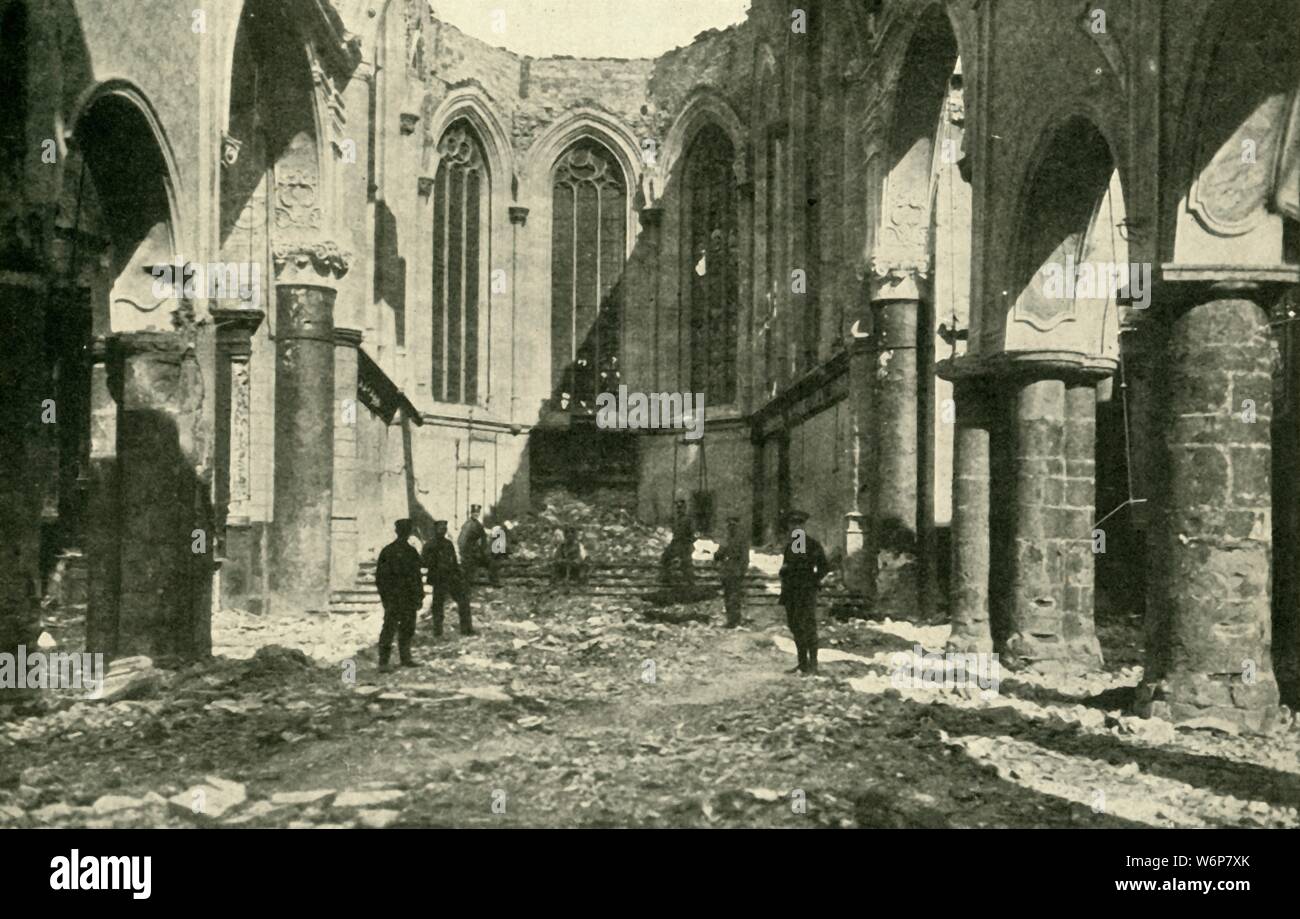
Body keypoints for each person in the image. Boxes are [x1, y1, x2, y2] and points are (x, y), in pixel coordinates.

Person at [778, 510, 829, 675]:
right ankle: (802, 664)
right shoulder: (791, 545)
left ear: (803, 526)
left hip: (804, 592)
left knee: (807, 626)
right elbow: (789, 566)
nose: (795, 528)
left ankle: (812, 665)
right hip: (791, 592)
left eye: (798, 525)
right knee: (795, 626)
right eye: (793, 525)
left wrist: (812, 580)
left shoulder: (811, 544)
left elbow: (824, 567)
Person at [374, 519, 424, 671]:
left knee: (407, 628)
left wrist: (419, 595)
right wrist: (386, 598)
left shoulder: (409, 552)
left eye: (406, 530)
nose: (405, 533)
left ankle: (404, 658)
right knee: (390, 628)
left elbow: (416, 577)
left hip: (405, 598)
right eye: (403, 530)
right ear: (399, 532)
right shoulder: (390, 551)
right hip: (396, 598)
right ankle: (384, 662)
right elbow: (381, 578)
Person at [420, 519, 474, 638]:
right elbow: (423, 562)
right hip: (439, 579)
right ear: (435, 530)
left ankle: (467, 629)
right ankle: (437, 632)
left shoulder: (448, 544)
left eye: (444, 529)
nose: (442, 531)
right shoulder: (429, 545)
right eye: (440, 529)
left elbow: (454, 561)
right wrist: (434, 563)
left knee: (463, 601)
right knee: (438, 606)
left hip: (451, 577)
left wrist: (459, 575)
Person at [714, 515, 749, 628]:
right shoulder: (727, 538)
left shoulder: (741, 539)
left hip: (735, 571)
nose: (731, 527)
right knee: (728, 596)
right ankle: (731, 620)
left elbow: (745, 558)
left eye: (733, 524)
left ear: (737, 525)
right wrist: (717, 555)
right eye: (729, 524)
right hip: (727, 571)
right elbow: (720, 553)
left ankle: (734, 620)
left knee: (734, 596)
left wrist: (742, 571)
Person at [659, 497, 696, 586]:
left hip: (685, 544)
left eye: (681, 508)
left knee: (686, 563)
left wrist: (688, 543)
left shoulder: (688, 520)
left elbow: (692, 533)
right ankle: (666, 578)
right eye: (678, 508)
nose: (679, 510)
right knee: (665, 557)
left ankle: (690, 581)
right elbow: (675, 532)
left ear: (684, 508)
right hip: (675, 543)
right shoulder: (676, 520)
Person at [458, 504, 490, 587]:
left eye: (477, 513)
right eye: (474, 513)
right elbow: (461, 541)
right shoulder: (468, 525)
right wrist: (464, 553)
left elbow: (483, 536)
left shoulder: (477, 524)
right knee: (468, 572)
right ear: (471, 513)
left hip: (476, 551)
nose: (476, 514)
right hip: (469, 553)